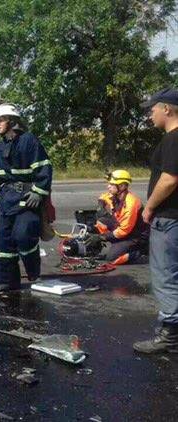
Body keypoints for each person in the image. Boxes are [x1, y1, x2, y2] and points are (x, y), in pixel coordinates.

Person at [0, 104, 52, 292]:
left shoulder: (29, 141)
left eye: (0, 120)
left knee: (23, 235)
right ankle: (6, 281)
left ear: (12, 121)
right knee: (4, 242)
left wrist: (39, 192)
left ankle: (33, 271)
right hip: (7, 199)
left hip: (27, 198)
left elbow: (44, 167)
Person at [133, 88, 178, 354]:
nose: (150, 113)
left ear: (168, 109)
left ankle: (170, 335)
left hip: (169, 220)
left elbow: (170, 178)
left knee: (166, 276)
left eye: (153, 108)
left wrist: (149, 208)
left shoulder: (173, 139)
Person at [93, 170, 149, 265]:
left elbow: (124, 230)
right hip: (125, 231)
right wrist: (101, 203)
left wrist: (102, 237)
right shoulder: (116, 195)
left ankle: (140, 253)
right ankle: (117, 245)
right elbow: (104, 197)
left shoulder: (131, 203)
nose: (108, 186)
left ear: (122, 186)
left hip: (135, 237)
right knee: (100, 221)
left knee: (112, 259)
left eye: (111, 184)